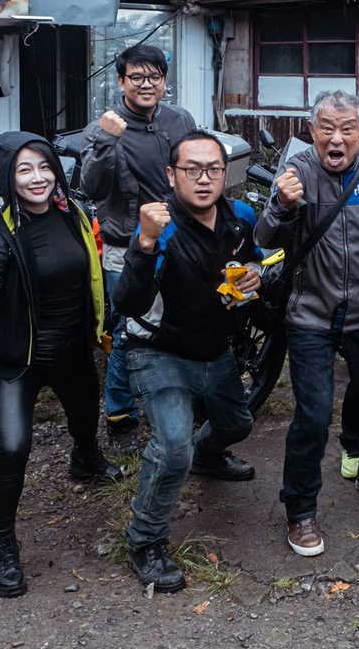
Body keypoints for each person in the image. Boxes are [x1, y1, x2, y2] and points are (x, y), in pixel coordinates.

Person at [0, 133, 120, 598]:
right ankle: (3, 544)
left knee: (85, 418)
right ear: (7, 176)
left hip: (73, 350)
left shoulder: (73, 213)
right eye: (24, 170)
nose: (38, 177)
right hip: (19, 358)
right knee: (12, 449)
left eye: (44, 166)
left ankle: (85, 458)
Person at [256, 89, 359, 558]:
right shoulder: (297, 174)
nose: (336, 138)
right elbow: (264, 238)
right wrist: (281, 205)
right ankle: (300, 510)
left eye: (347, 128)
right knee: (312, 417)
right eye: (327, 128)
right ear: (312, 130)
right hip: (310, 317)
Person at [110, 130, 262, 590]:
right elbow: (127, 303)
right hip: (159, 351)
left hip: (214, 350)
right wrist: (143, 244)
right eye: (191, 169)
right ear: (171, 175)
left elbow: (255, 263)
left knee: (238, 424)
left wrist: (257, 276)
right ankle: (145, 541)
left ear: (225, 174)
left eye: (213, 169)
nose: (204, 179)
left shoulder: (240, 217)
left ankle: (207, 456)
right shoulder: (160, 226)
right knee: (174, 445)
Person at [79, 44, 208, 462]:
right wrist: (105, 140)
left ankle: (178, 397)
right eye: (136, 77)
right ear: (120, 81)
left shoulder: (179, 119)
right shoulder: (103, 128)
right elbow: (92, 188)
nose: (146, 84)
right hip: (126, 245)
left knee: (181, 318)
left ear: (164, 81)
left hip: (181, 239)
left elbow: (196, 168)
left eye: (155, 76)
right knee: (129, 330)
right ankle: (121, 416)